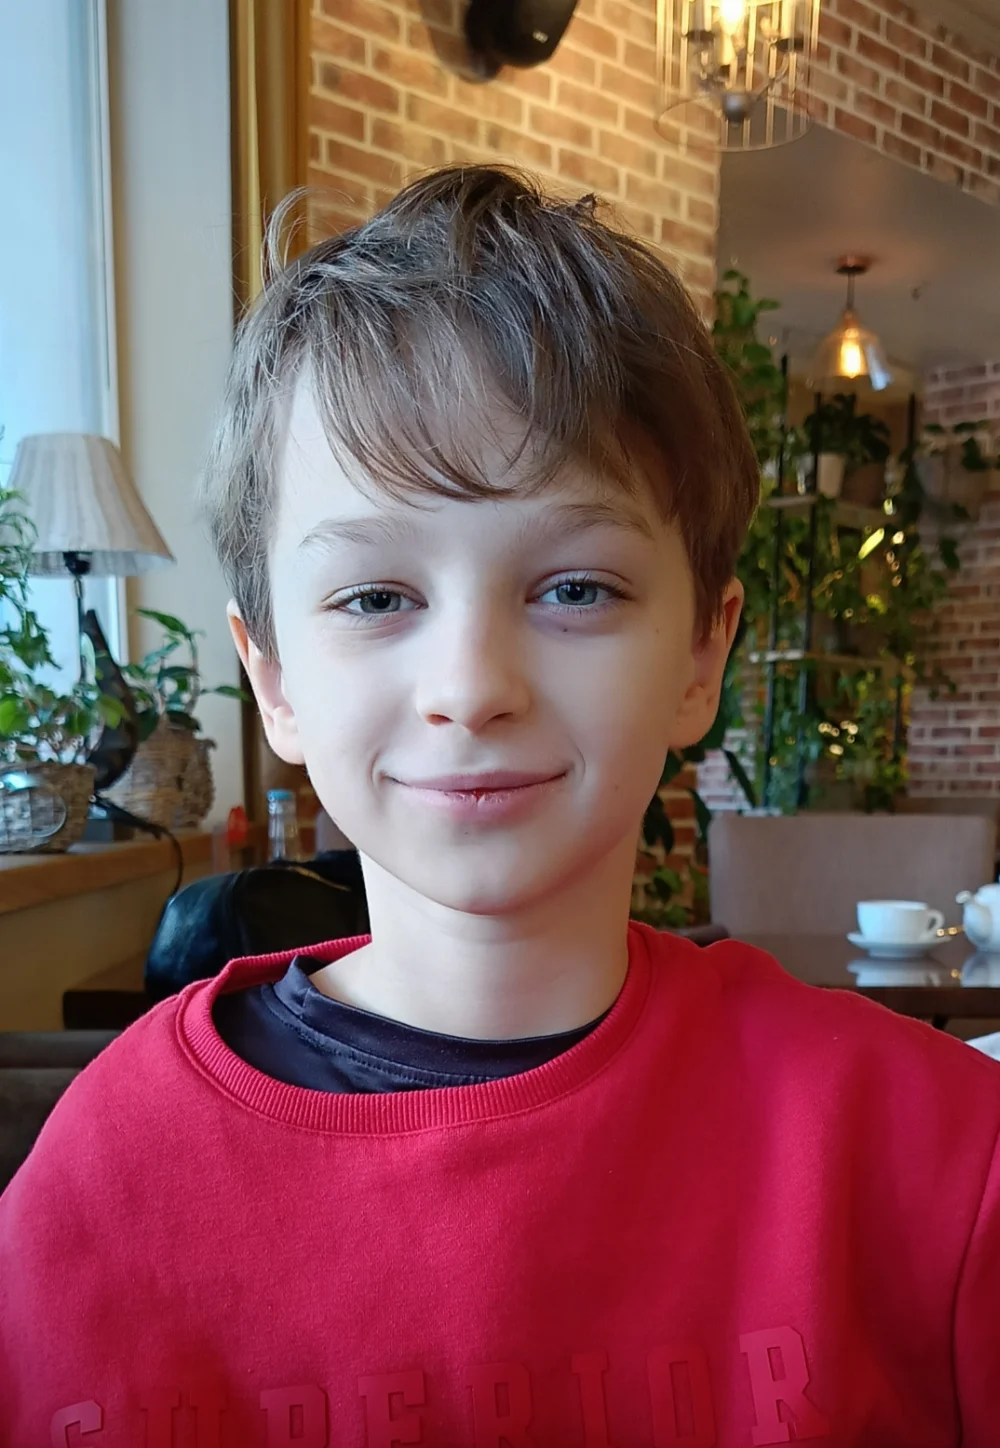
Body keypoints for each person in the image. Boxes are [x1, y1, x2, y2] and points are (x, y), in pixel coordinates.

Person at [1, 165, 998, 1448]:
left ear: (702, 653)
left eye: (575, 587)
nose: (471, 687)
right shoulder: (99, 1187)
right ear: (274, 679)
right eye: (375, 597)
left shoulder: (930, 1156)